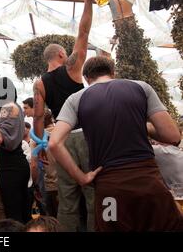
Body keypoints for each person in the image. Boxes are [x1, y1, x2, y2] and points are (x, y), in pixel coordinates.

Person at [49, 56, 183, 231]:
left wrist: (82, 178)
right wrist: (142, 124)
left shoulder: (76, 99)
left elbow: (54, 144)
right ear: (113, 73)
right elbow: (172, 135)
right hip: (149, 185)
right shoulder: (141, 87)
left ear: (87, 78)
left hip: (110, 191)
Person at [32, 0, 99, 231]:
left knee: (68, 198)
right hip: (86, 136)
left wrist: (39, 146)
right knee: (93, 195)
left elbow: (38, 116)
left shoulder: (39, 83)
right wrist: (88, 1)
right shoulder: (71, 67)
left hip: (60, 140)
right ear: (62, 53)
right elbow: (83, 32)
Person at [0, 77, 30, 224]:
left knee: (14, 215)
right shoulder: (13, 105)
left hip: (11, 169)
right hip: (16, 166)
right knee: (23, 213)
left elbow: (0, 138)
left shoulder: (7, 107)